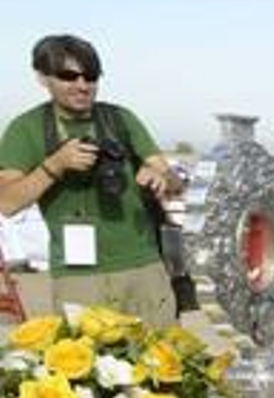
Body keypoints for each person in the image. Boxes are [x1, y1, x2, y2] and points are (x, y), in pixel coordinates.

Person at [0, 34, 180, 326]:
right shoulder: (26, 129)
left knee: (163, 353)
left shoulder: (121, 119)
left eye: (91, 76)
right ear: (43, 77)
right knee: (86, 355)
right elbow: (7, 203)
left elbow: (174, 183)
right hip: (78, 276)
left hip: (143, 267)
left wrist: (162, 177)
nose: (82, 85)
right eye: (68, 76)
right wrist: (55, 165)